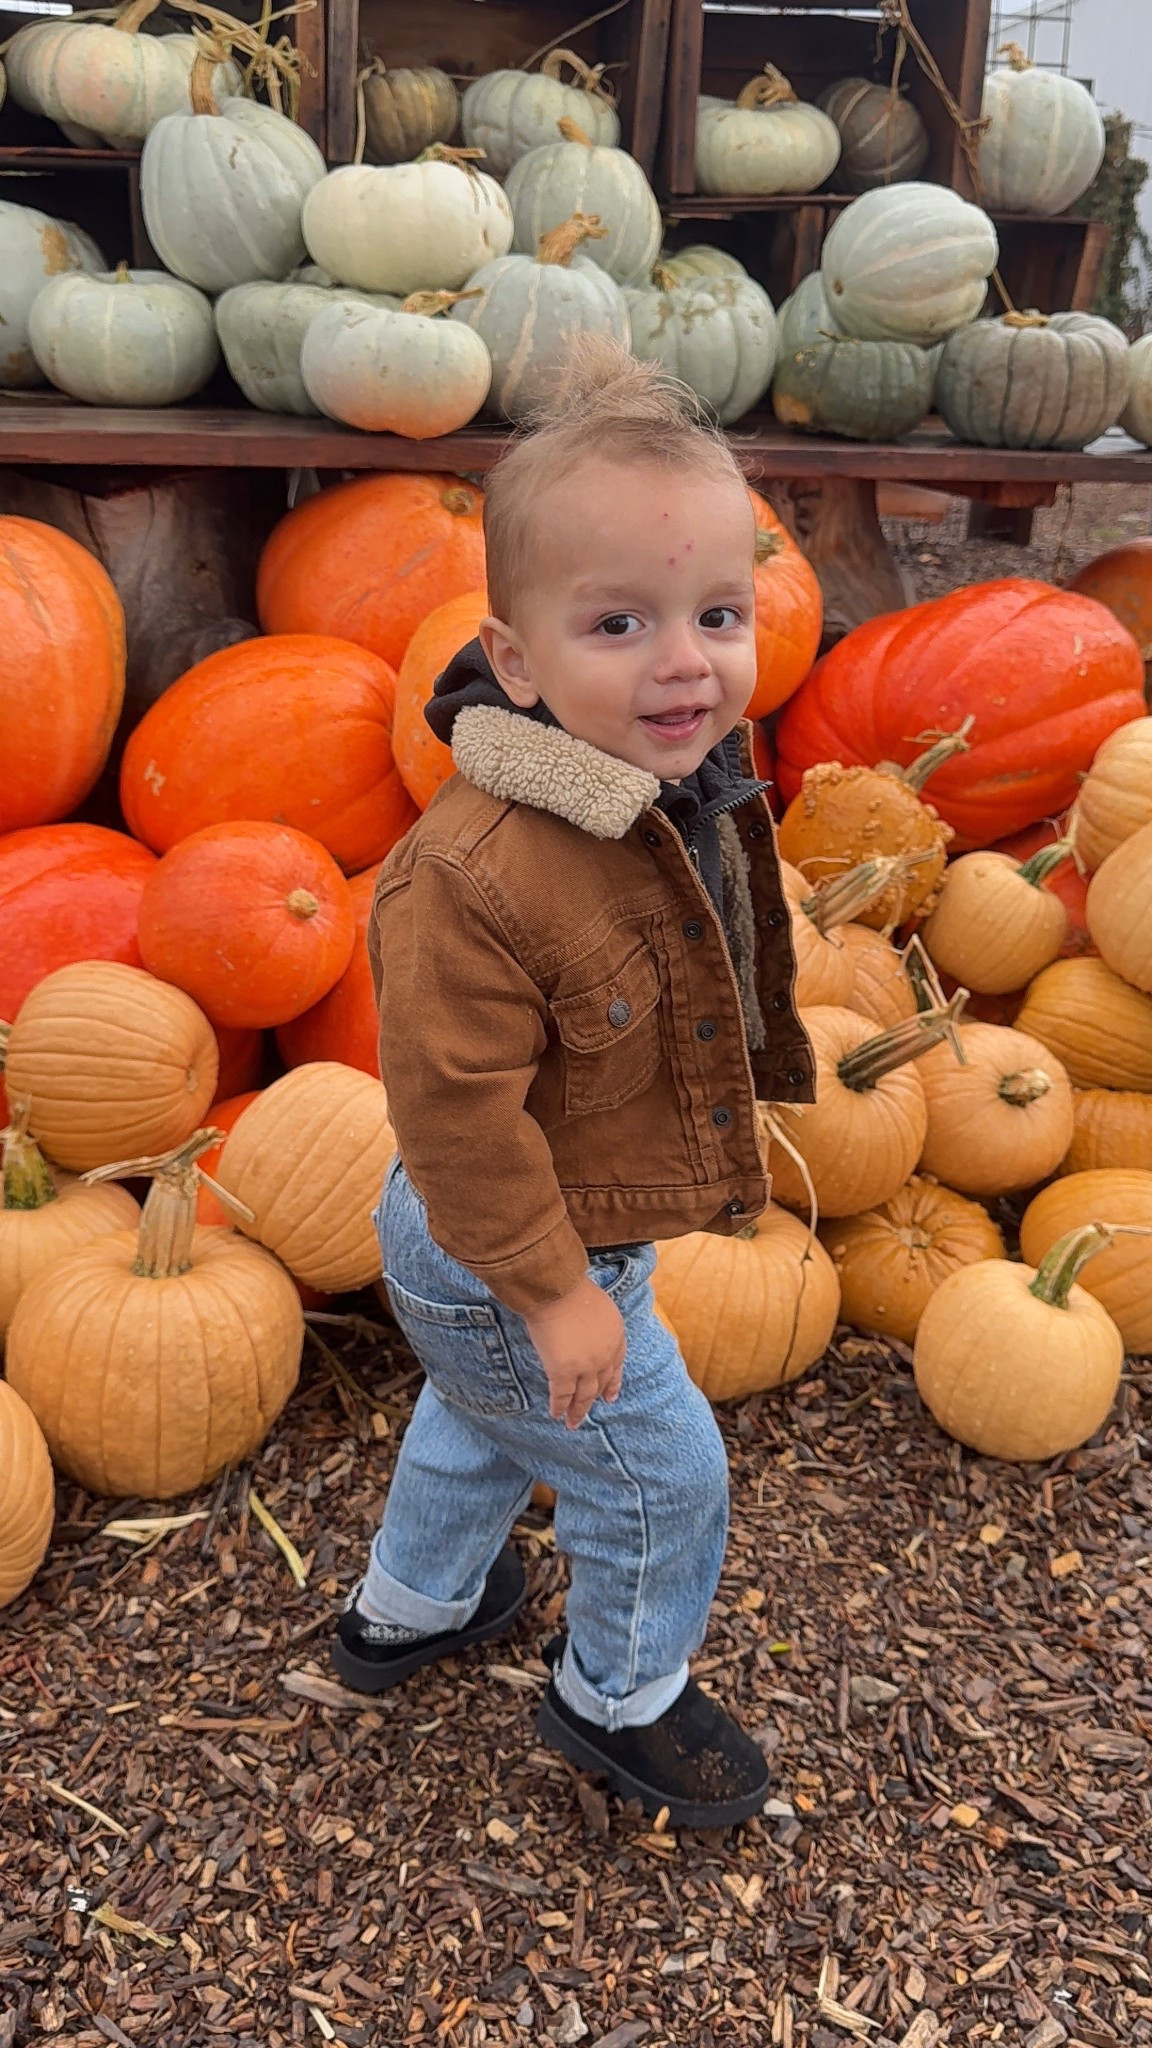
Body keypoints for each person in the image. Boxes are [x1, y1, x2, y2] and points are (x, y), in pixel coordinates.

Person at [334, 339, 814, 1830]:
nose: (687, 660)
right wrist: (553, 1292)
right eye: (622, 623)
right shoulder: (471, 877)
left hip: (558, 1235)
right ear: (520, 664)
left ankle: (410, 1609)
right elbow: (458, 1118)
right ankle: (620, 1700)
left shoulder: (666, 787)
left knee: (483, 1426)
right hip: (501, 1250)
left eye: (717, 614)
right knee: (660, 1478)